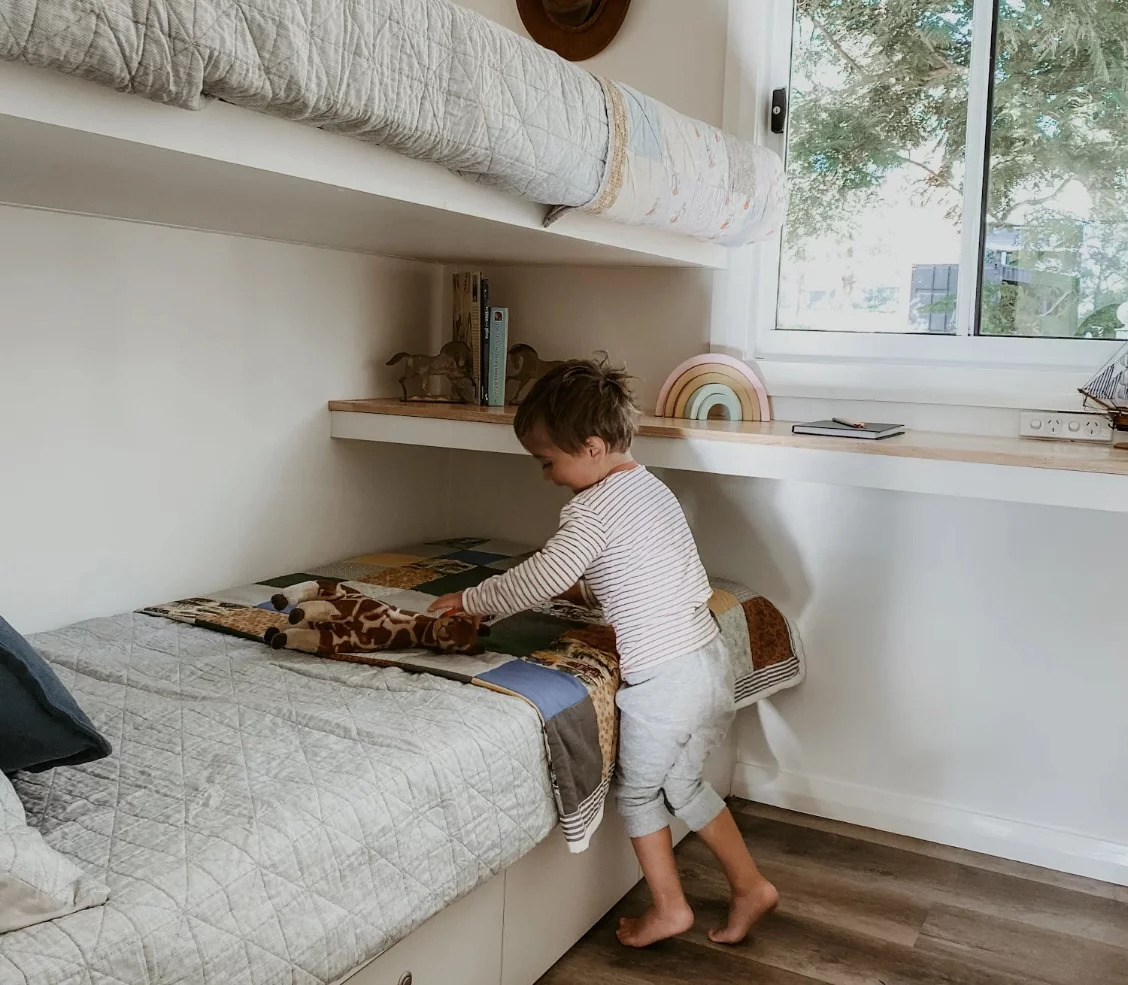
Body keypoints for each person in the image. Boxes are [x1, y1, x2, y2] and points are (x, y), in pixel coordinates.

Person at [429, 358, 778, 948]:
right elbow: (640, 567)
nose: (547, 476)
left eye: (549, 462)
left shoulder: (590, 510)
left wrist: (472, 599)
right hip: (709, 663)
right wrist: (586, 583)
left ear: (591, 448)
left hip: (664, 679)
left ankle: (670, 907)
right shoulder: (650, 488)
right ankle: (750, 885)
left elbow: (536, 578)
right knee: (686, 784)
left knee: (640, 792)